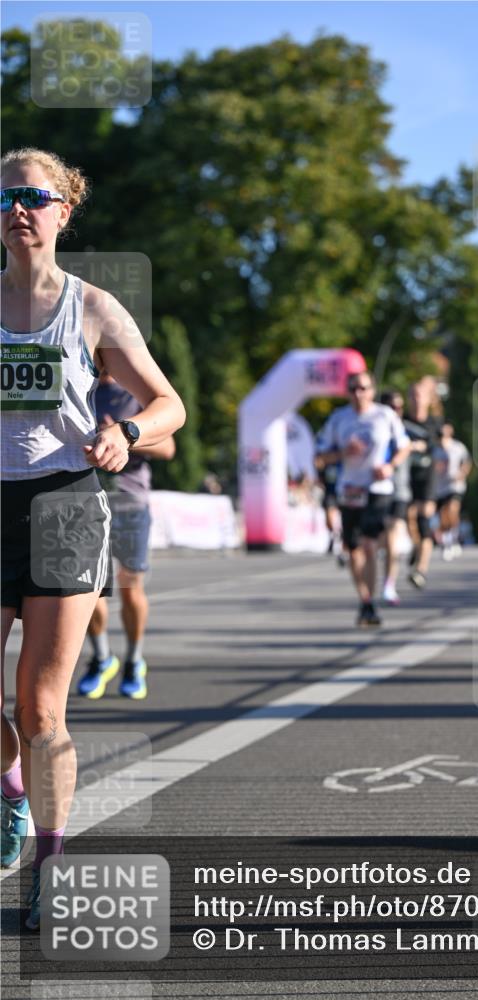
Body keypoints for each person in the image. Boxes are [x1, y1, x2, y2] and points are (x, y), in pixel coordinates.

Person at [0, 148, 185, 930]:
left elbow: (169, 405)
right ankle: (13, 796)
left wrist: (129, 433)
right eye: (6, 196)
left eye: (35, 196)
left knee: (41, 710)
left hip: (67, 507)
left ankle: (52, 858)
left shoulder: (95, 308)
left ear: (63, 211)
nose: (18, 209)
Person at [77, 375, 176, 700]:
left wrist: (123, 435)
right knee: (86, 589)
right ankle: (102, 657)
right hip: (87, 501)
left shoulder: (136, 393)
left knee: (130, 585)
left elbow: (168, 447)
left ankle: (134, 660)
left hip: (131, 502)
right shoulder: (80, 385)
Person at [316, 371, 410, 626]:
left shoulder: (385, 415)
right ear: (348, 392)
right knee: (354, 549)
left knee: (370, 545)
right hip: (350, 489)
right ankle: (365, 600)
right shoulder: (339, 419)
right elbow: (321, 456)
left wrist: (390, 466)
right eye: (353, 389)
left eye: (363, 388)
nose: (358, 394)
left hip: (378, 488)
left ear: (372, 390)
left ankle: (372, 601)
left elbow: (404, 446)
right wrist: (343, 452)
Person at [403, 379, 442, 589]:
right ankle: (417, 548)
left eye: (421, 396)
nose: (417, 400)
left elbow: (439, 446)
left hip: (427, 477)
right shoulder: (402, 421)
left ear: (428, 399)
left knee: (424, 520)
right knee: (409, 518)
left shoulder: (435, 423)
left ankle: (421, 570)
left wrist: (423, 445)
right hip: (407, 476)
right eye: (413, 396)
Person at [378, 390, 411, 605]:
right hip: (375, 490)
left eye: (399, 407)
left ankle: (389, 584)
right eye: (391, 406)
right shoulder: (374, 429)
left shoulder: (404, 431)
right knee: (375, 542)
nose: (396, 411)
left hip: (399, 491)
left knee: (391, 538)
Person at [433, 423, 471, 560]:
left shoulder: (458, 447)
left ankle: (454, 538)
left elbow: (466, 462)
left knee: (452, 510)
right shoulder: (435, 450)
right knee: (443, 515)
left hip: (455, 485)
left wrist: (461, 474)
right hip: (440, 486)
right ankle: (447, 541)